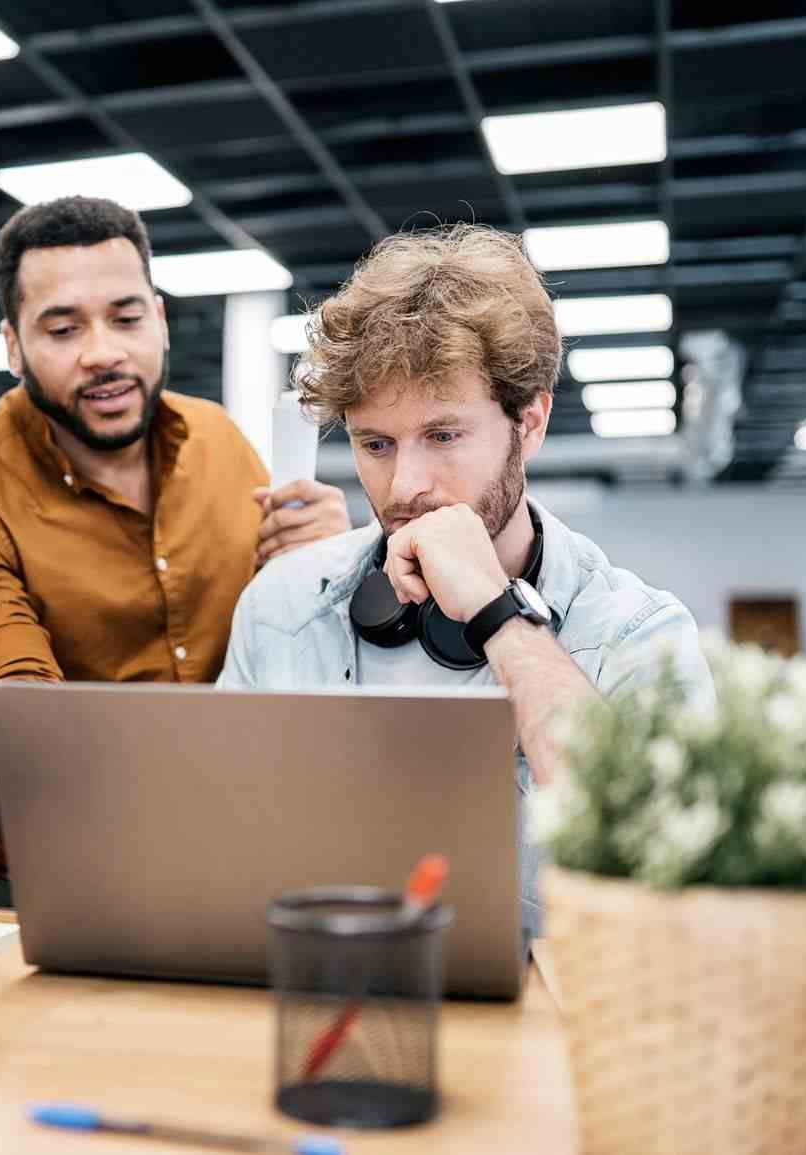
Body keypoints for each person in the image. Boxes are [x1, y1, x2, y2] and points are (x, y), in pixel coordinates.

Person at [217, 225, 714, 929]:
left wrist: (498, 615)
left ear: (530, 421)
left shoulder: (639, 637)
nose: (406, 485)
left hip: (548, 1028)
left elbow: (668, 872)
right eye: (375, 444)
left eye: (443, 435)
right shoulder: (281, 606)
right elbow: (220, 848)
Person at [0, 196, 354, 867]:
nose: (103, 354)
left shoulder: (217, 439)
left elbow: (284, 644)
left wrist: (331, 567)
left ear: (158, 320)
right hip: (43, 864)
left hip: (229, 841)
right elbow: (10, 701)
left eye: (125, 318)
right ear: (13, 346)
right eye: (63, 330)